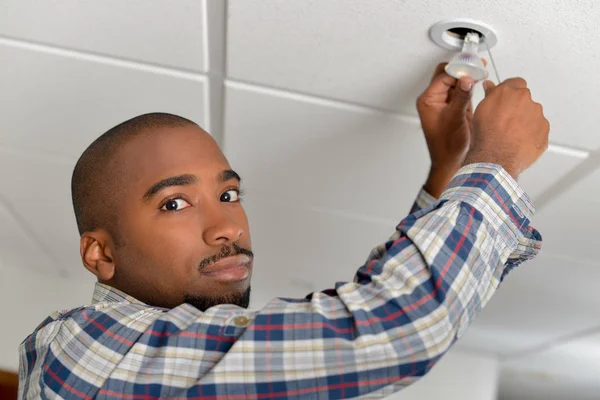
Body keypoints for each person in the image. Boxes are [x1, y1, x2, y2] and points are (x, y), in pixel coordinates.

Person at [18, 62, 548, 399]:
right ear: (100, 254)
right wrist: (494, 162)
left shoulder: (172, 366)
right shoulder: (83, 353)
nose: (227, 225)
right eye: (175, 202)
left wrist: (448, 172)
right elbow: (391, 331)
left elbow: (352, 359)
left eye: (229, 195)